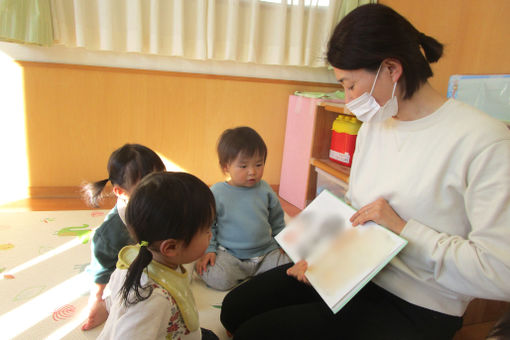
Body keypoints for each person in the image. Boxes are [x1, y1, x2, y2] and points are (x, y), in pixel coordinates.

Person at [220, 4, 510, 339]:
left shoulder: (484, 141)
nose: (347, 99)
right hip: (354, 269)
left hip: (418, 302)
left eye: (350, 85)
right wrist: (319, 254)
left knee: (256, 333)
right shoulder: (378, 124)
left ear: (391, 69)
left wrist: (404, 230)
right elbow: (355, 207)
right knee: (235, 308)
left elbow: (500, 272)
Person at [96, 171, 219, 340]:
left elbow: (115, 300)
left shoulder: (137, 257)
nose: (211, 235)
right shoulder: (152, 300)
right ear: (170, 247)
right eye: (206, 230)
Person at [81, 143, 166, 331]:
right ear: (120, 192)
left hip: (154, 260)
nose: (159, 189)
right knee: (129, 298)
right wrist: (97, 298)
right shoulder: (111, 232)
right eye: (147, 185)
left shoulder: (159, 201)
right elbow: (101, 267)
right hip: (124, 270)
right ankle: (109, 305)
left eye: (161, 178)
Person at [195, 126, 290, 291]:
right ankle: (218, 271)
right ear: (226, 167)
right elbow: (209, 226)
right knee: (219, 278)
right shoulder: (217, 192)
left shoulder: (265, 189)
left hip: (266, 253)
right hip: (231, 255)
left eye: (259, 164)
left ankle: (259, 275)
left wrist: (283, 240)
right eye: (243, 166)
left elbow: (276, 219)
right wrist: (210, 250)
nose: (252, 172)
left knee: (289, 265)